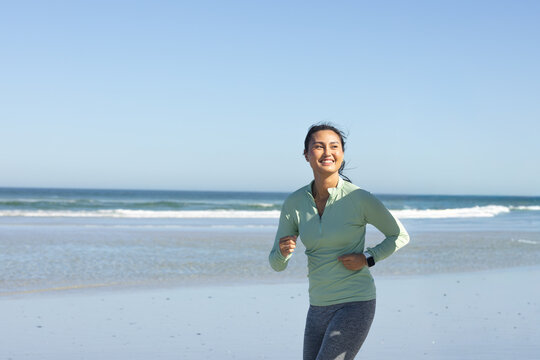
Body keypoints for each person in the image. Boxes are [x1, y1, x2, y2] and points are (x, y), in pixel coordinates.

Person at [269, 123, 410, 360]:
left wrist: (367, 258)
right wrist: (283, 251)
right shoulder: (294, 203)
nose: (327, 152)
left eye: (334, 146)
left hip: (355, 303)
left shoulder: (359, 198)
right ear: (306, 155)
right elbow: (276, 263)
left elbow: (400, 235)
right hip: (317, 306)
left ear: (342, 153)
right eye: (318, 146)